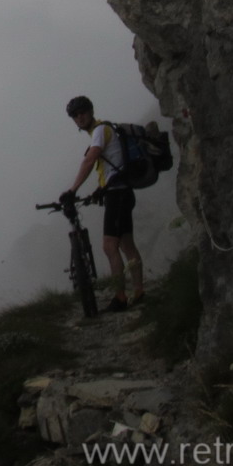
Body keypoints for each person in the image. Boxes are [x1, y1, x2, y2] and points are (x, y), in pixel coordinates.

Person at [60, 95, 144, 311]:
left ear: (90, 111)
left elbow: (91, 159)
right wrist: (100, 189)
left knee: (109, 246)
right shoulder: (105, 130)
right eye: (75, 115)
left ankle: (120, 298)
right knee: (127, 244)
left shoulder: (99, 131)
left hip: (118, 195)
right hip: (120, 191)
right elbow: (111, 167)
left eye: (82, 112)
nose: (79, 117)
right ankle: (139, 291)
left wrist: (72, 190)